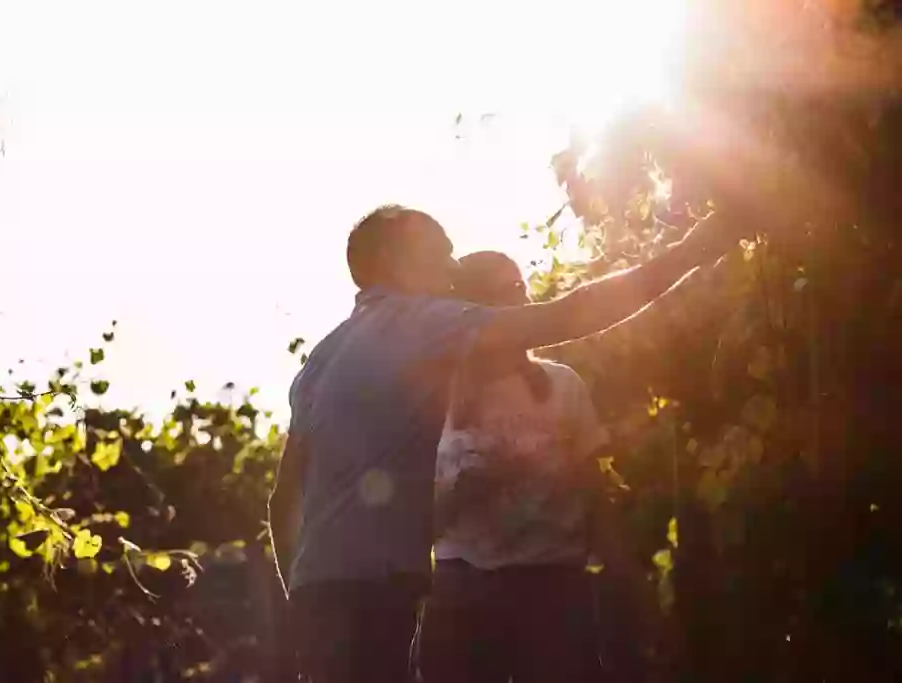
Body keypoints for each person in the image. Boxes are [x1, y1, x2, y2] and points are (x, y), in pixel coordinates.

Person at [268, 205, 730, 683]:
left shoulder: (319, 360)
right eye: (440, 252)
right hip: (375, 597)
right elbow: (567, 316)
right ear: (393, 257)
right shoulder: (419, 323)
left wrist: (300, 600)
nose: (452, 269)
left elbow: (282, 501)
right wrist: (691, 252)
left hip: (319, 596)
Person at [416, 251, 643, 683]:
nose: (521, 301)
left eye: (520, 287)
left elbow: (596, 493)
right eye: (504, 292)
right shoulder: (434, 404)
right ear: (473, 312)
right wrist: (460, 495)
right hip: (462, 593)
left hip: (552, 590)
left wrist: (622, 578)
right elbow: (414, 526)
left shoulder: (562, 385)